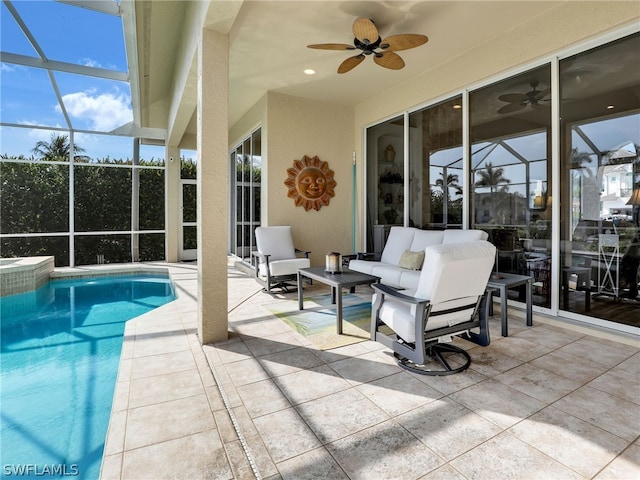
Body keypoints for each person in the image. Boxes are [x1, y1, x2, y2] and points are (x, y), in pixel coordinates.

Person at [620, 233, 640, 299]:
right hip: (634, 260)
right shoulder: (635, 244)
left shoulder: (634, 243)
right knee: (633, 278)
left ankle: (633, 293)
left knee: (632, 278)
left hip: (632, 260)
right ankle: (633, 293)